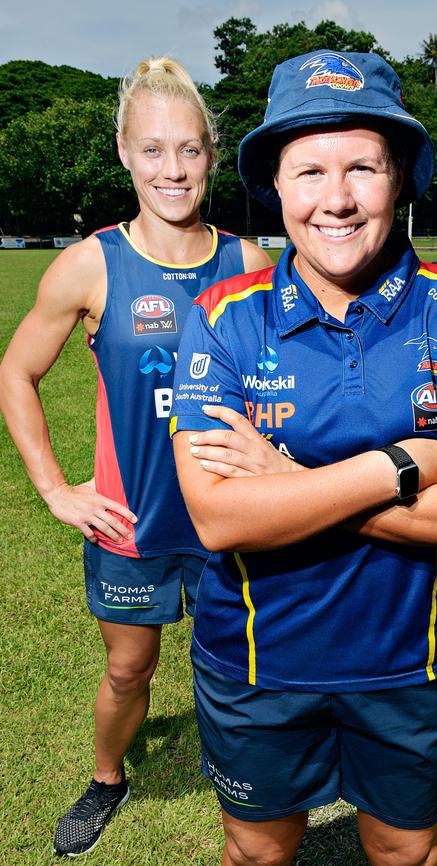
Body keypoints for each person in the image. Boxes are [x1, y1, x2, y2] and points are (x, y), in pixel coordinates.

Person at [170, 50, 437, 866]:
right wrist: (395, 465)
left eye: (362, 166)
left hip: (413, 662)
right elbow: (219, 516)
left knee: (406, 852)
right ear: (276, 187)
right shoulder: (223, 317)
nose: (336, 199)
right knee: (257, 853)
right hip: (255, 662)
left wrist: (286, 484)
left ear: (398, 178)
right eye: (309, 171)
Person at [0, 56, 272, 858]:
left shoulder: (249, 264)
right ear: (123, 151)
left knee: (245, 672)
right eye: (153, 150)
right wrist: (53, 488)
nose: (173, 169)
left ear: (212, 156)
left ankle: (256, 781)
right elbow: (17, 372)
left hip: (230, 518)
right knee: (129, 671)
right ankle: (107, 778)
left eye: (189, 149)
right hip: (131, 522)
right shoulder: (92, 264)